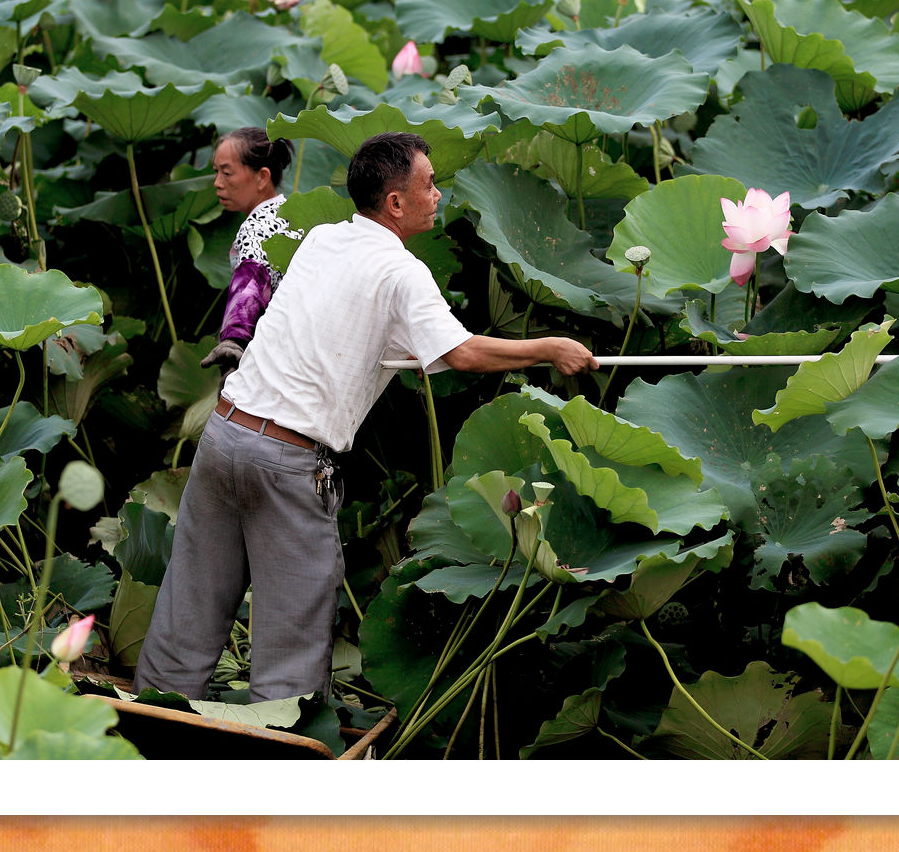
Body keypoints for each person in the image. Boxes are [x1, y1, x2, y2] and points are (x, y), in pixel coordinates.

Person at [133, 132, 598, 702]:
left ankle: (149, 726)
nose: (438, 195)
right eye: (428, 185)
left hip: (226, 433)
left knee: (192, 601)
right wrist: (549, 347)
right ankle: (275, 766)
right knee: (292, 633)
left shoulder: (323, 240)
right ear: (395, 203)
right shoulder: (403, 273)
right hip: (287, 461)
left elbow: (338, 317)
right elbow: (462, 354)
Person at [200, 126, 300, 370]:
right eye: (216, 172)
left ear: (262, 177)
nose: (217, 183)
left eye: (227, 173)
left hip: (274, 357)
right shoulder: (294, 215)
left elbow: (252, 280)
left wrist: (233, 341)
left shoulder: (256, 228)